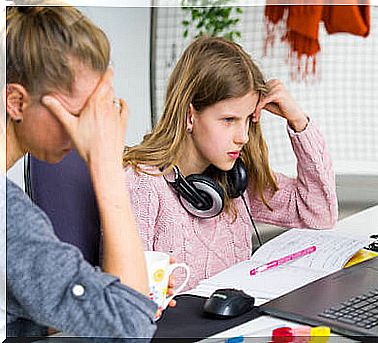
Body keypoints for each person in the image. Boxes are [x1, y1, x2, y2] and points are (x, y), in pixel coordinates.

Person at [5, 6, 175, 338]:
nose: (92, 129)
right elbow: (131, 329)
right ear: (17, 102)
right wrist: (107, 165)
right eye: (80, 112)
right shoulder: (10, 216)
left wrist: (102, 294)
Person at [123, 36, 338, 290]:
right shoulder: (143, 184)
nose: (243, 137)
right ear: (190, 116)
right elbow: (129, 294)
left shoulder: (235, 180)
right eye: (228, 120)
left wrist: (298, 122)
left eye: (247, 119)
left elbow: (319, 214)